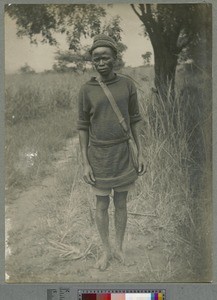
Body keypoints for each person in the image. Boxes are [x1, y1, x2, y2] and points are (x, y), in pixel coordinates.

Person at [77, 34, 146, 271]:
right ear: (92, 62)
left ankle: (119, 248)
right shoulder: (86, 90)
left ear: (115, 58)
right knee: (101, 204)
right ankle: (105, 250)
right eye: (96, 58)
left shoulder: (127, 84)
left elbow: (135, 120)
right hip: (99, 156)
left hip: (123, 153)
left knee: (121, 203)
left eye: (105, 57)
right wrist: (85, 163)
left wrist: (141, 152)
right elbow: (82, 127)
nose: (101, 62)